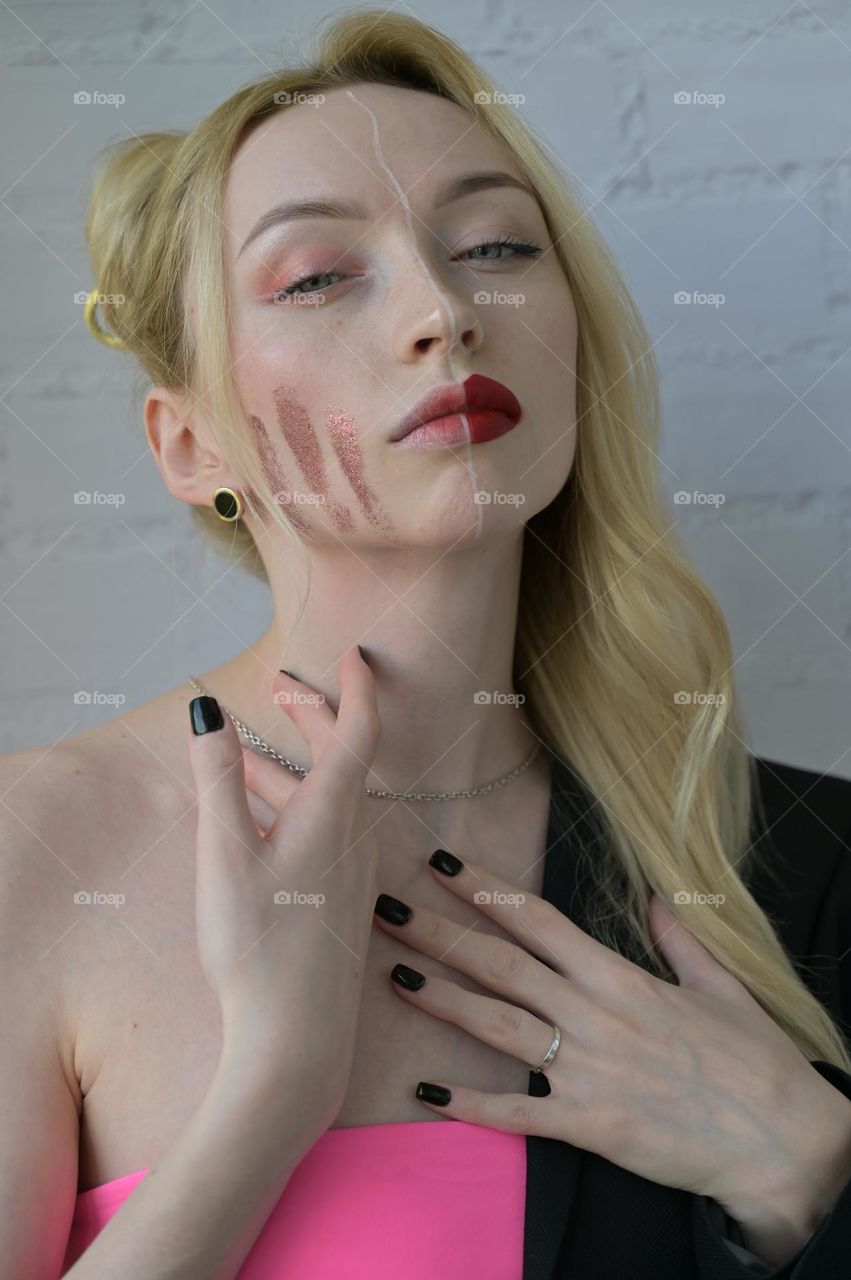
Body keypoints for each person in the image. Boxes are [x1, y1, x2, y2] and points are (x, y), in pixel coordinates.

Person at [1, 10, 850, 1279]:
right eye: (316, 276)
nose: (444, 311)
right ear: (191, 446)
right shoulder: (37, 847)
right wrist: (269, 1095)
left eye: (495, 246)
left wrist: (807, 1172)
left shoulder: (809, 867)